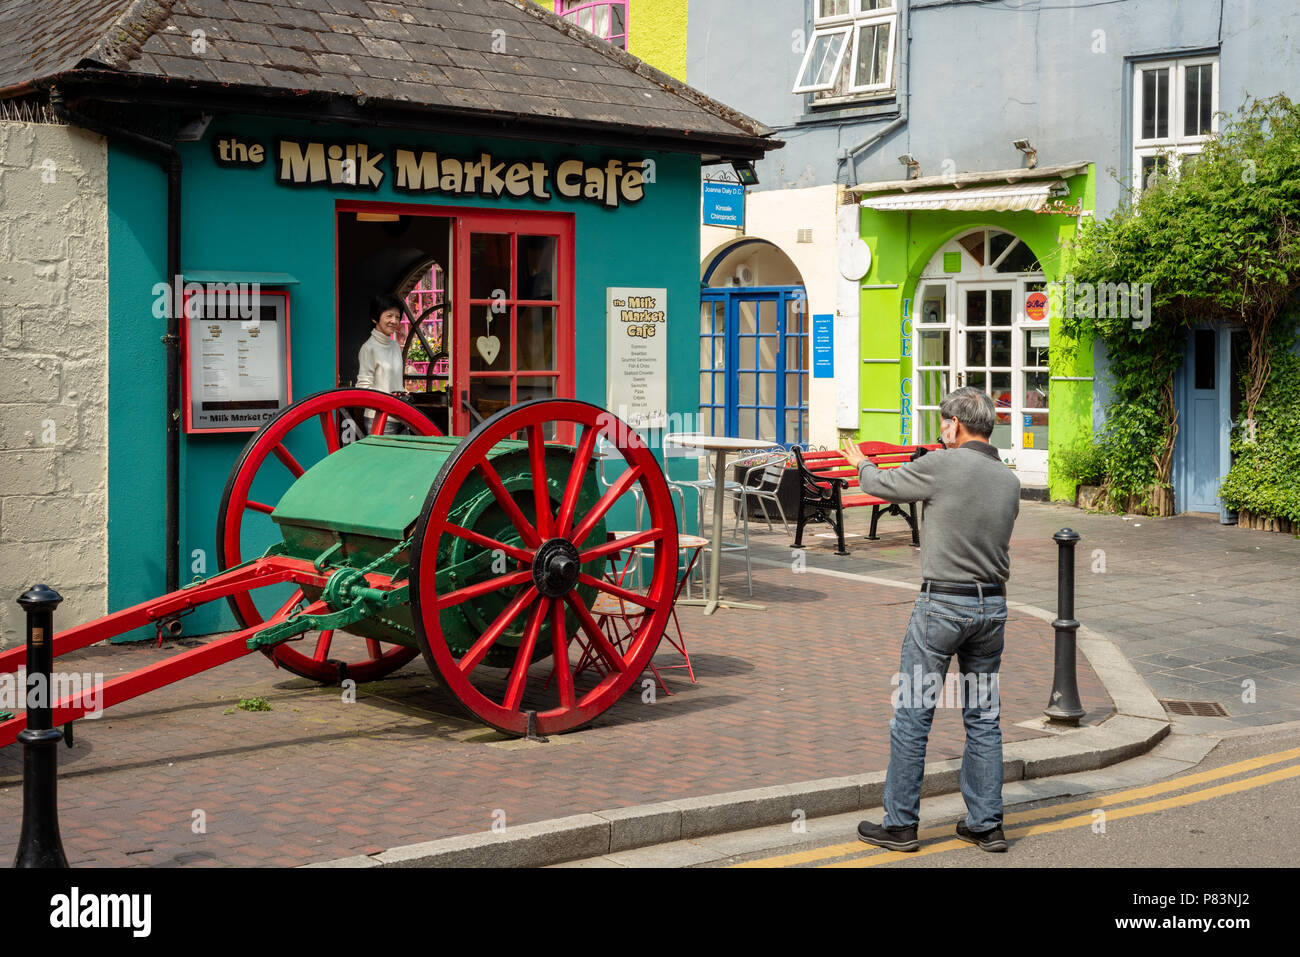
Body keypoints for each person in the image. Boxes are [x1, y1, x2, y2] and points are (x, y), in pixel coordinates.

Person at [840, 387, 1020, 853]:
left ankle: (900, 824)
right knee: (983, 719)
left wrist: (860, 461)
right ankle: (986, 825)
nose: (940, 431)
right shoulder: (1008, 479)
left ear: (956, 425)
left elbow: (879, 486)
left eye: (943, 423)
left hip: (942, 607)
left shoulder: (943, 464)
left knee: (914, 715)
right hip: (992, 609)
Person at [356, 293, 409, 434]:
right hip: (378, 418)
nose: (394, 321)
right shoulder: (368, 348)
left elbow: (397, 383)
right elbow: (363, 387)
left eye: (397, 317)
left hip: (400, 416)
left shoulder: (395, 346)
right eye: (389, 316)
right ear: (375, 318)